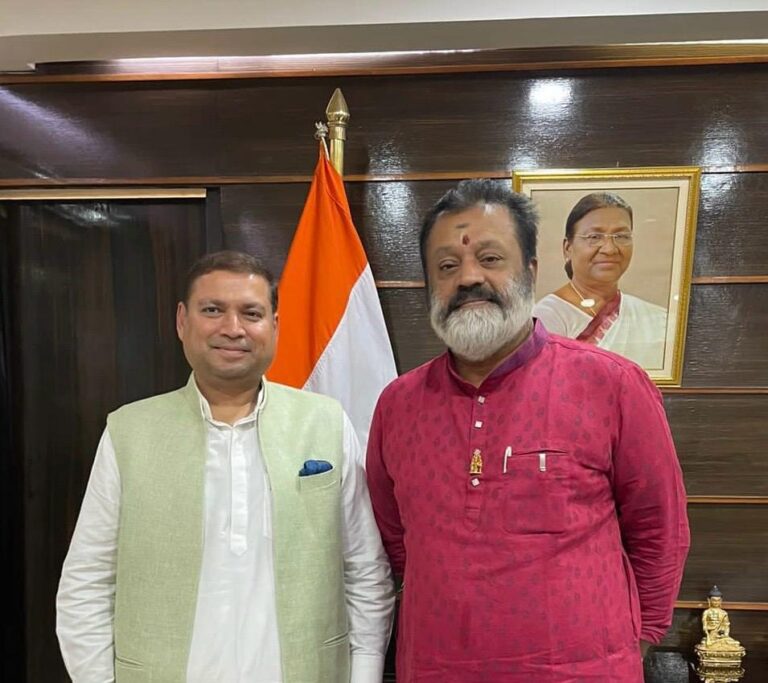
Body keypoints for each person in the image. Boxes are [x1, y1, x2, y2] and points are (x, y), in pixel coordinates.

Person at [366, 180, 690, 682]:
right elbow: (398, 538)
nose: (469, 277)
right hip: (435, 667)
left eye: (491, 258)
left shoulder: (614, 385)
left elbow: (659, 532)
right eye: (447, 266)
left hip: (584, 670)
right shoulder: (398, 405)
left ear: (531, 272)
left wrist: (636, 641)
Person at [57, 250, 395, 683]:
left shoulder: (325, 422)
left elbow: (365, 572)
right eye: (213, 310)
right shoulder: (129, 432)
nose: (232, 328)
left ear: (274, 325)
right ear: (183, 321)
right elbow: (87, 582)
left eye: (251, 313)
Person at [532, 192, 668, 368]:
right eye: (594, 237)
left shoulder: (655, 318)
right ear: (568, 248)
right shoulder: (548, 316)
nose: (610, 249)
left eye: (621, 237)